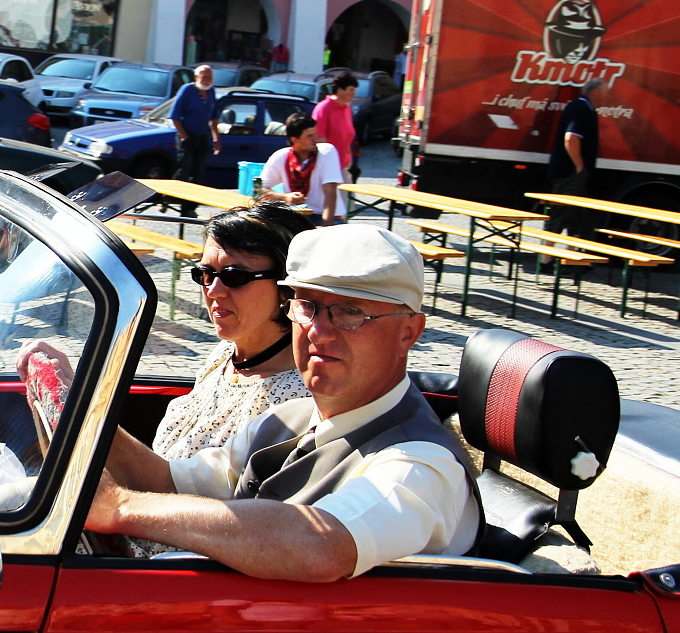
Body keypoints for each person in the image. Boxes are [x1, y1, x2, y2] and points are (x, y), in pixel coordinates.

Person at [82, 224, 476, 582]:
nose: (318, 331)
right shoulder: (289, 419)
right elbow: (169, 481)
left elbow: (322, 544)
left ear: (409, 332)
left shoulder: (421, 465)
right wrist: (79, 411)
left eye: (350, 312)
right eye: (307, 306)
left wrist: (119, 508)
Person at [152, 202, 317, 461]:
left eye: (235, 277)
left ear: (287, 287)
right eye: (205, 274)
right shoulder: (227, 353)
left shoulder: (295, 397)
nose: (214, 291)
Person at [259, 113, 344, 224]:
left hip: (325, 215)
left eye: (316, 134)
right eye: (309, 136)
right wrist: (284, 197)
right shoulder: (281, 156)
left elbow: (330, 193)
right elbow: (258, 189)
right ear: (295, 140)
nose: (316, 139)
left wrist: (325, 227)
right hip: (296, 215)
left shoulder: (327, 152)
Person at [546, 77, 603, 237]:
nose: (607, 97)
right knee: (560, 215)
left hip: (572, 172)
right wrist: (579, 166)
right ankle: (547, 252)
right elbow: (571, 138)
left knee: (576, 219)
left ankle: (569, 252)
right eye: (605, 93)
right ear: (595, 92)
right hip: (569, 173)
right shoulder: (581, 108)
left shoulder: (585, 108)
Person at [168, 64, 219, 187]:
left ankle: (190, 200)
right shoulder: (187, 90)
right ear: (196, 77)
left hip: (202, 136)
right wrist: (184, 136)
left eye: (209, 77)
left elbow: (214, 117)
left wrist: (216, 138)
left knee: (198, 172)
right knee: (184, 171)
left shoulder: (211, 91)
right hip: (187, 136)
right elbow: (175, 116)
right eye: (203, 77)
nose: (206, 80)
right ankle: (170, 196)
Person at [312, 72, 359, 184]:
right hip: (328, 168)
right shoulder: (324, 108)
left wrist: (350, 162)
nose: (354, 94)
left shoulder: (347, 109)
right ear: (340, 90)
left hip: (344, 165)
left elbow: (347, 138)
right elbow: (319, 139)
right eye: (351, 90)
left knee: (346, 194)